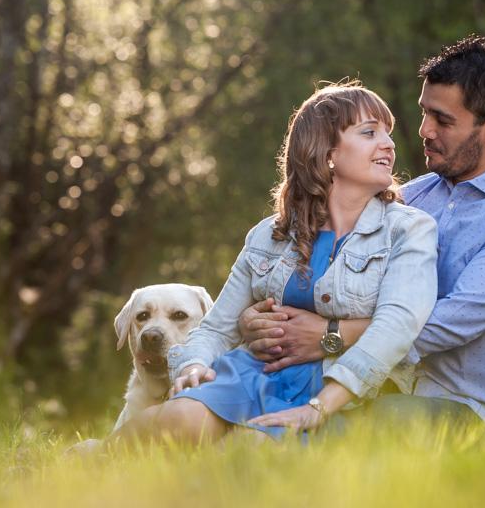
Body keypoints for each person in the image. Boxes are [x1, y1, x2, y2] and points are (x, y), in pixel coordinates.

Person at [240, 36, 485, 433]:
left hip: (477, 413)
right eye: (424, 113)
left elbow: (444, 324)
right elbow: (327, 277)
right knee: (241, 409)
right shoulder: (410, 197)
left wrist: (329, 336)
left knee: (329, 432)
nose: (424, 131)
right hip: (375, 387)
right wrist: (258, 321)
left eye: (443, 120)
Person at [109, 82, 438, 443]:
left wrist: (320, 406)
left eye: (387, 134)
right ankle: (95, 454)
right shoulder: (269, 234)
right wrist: (193, 365)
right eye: (369, 132)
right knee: (180, 420)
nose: (389, 144)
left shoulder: (409, 230)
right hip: (252, 374)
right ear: (326, 151)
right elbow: (218, 329)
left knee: (247, 450)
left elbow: (398, 324)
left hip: (341, 387)